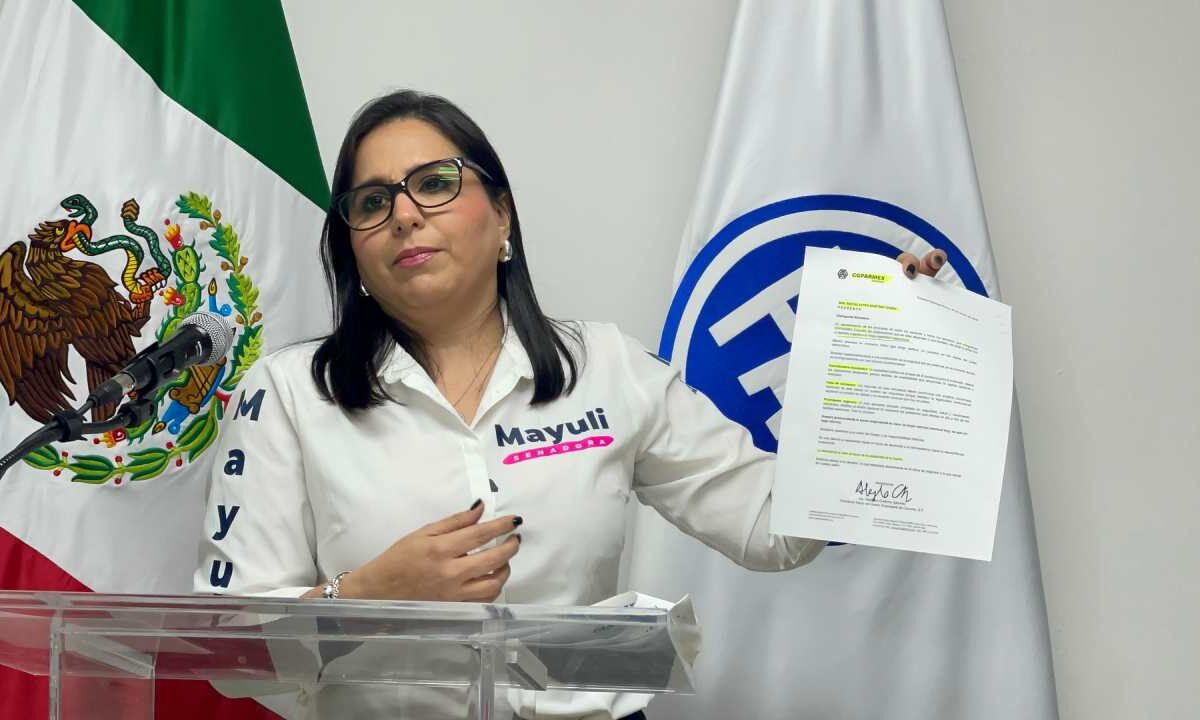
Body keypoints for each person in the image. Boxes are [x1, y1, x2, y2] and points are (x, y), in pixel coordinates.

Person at [193, 90, 948, 719]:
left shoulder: (607, 367)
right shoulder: (288, 394)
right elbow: (229, 652)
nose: (403, 214)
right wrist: (367, 596)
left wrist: (879, 353)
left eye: (434, 183)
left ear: (503, 218)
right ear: (351, 246)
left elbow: (776, 530)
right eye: (371, 200)